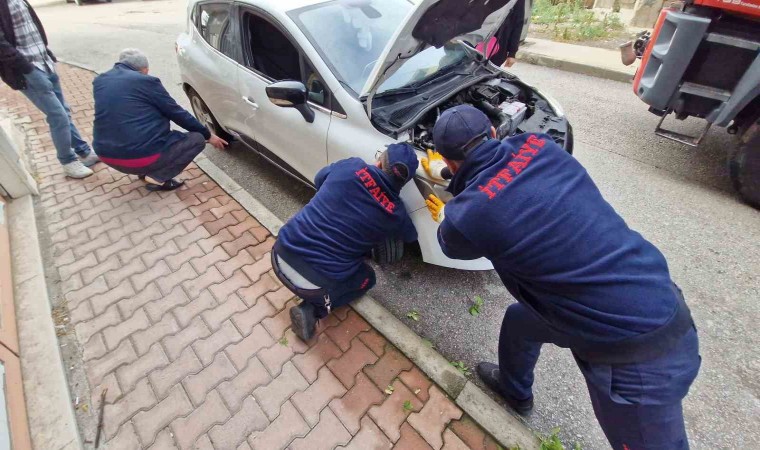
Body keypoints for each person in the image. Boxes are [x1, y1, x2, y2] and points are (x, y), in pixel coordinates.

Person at [422, 105, 701, 450]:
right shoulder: (540, 146)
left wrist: (448, 209)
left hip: (636, 352)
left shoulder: (468, 215)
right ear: (493, 132)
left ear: (447, 162)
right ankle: (514, 389)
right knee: (521, 321)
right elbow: (511, 189)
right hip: (649, 288)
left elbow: (451, 244)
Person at [271, 144, 419, 341]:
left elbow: (319, 179)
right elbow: (411, 237)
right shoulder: (396, 213)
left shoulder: (352, 167)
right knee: (368, 278)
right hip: (313, 284)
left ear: (378, 162)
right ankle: (313, 310)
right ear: (403, 183)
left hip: (280, 252)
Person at [92, 49, 227, 191]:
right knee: (197, 139)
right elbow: (176, 113)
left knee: (134, 126)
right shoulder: (146, 82)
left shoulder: (100, 80)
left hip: (105, 154)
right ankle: (158, 176)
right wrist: (208, 135)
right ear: (144, 69)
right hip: (139, 158)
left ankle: (144, 170)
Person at [0, 0, 99, 178]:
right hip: (28, 70)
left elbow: (32, 27)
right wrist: (27, 69)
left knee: (64, 112)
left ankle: (84, 152)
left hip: (44, 62)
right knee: (58, 116)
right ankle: (67, 161)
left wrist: (47, 52)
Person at [480, 0, 526, 68]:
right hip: (472, 38)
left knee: (485, 72)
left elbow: (518, 23)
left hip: (497, 45)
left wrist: (512, 53)